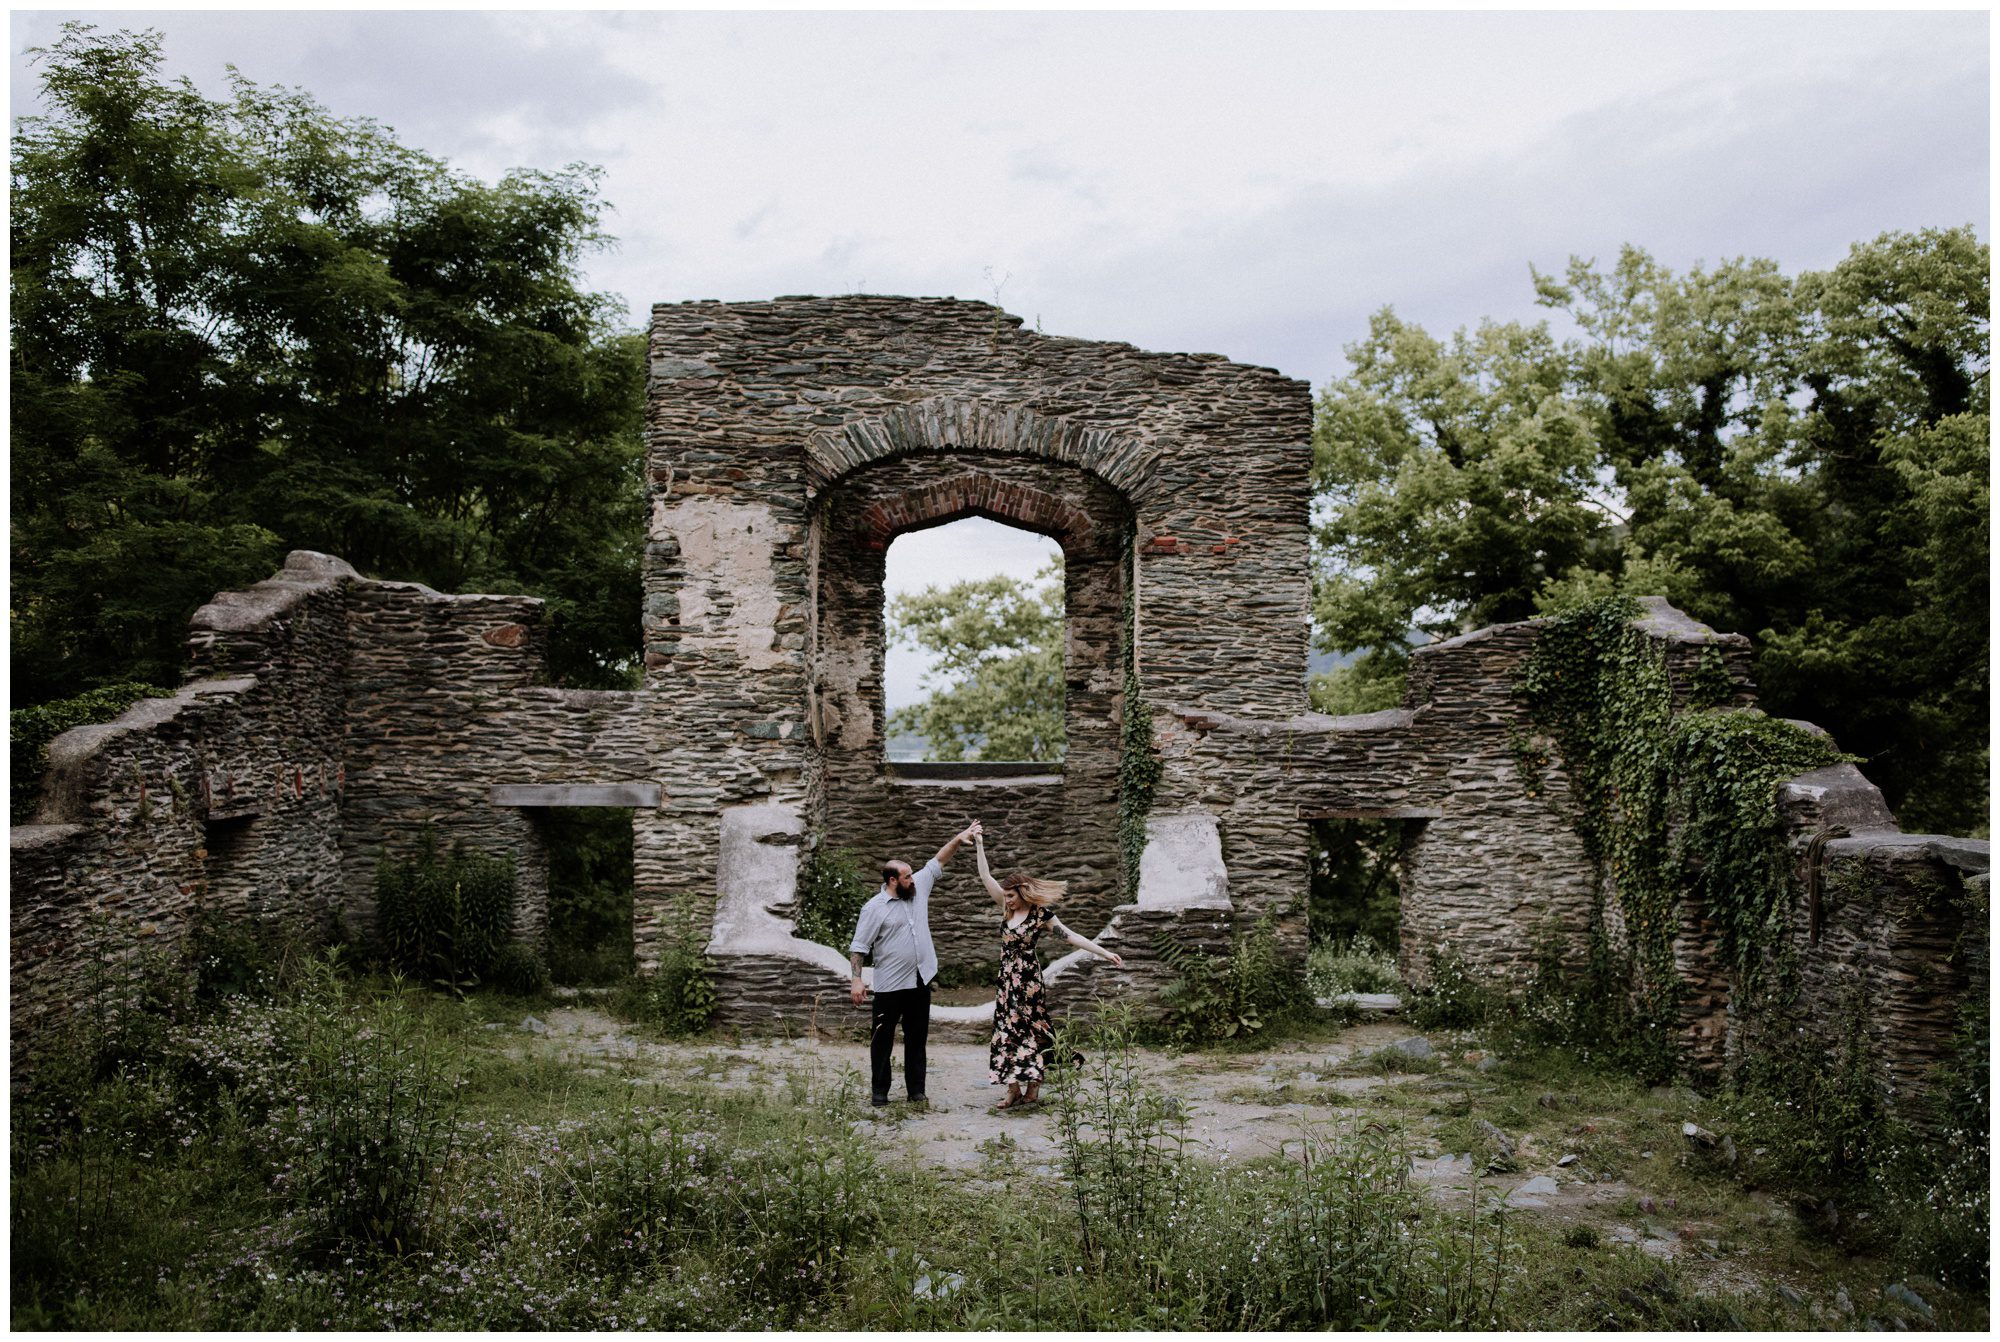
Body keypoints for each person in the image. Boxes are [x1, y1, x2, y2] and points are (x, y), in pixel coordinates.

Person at [973, 825, 1123, 1110]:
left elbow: (1071, 936)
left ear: (1023, 893)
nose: (1008, 899)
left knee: (1029, 1029)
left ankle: (1034, 1085)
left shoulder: (1040, 915)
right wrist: (979, 844)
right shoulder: (1005, 908)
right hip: (1006, 981)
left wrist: (1104, 952)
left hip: (1029, 980)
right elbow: (985, 876)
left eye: (1012, 895)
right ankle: (1012, 1089)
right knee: (1005, 1030)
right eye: (1006, 895)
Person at [849, 821, 980, 1107]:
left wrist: (959, 839)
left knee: (917, 1039)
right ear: (892, 881)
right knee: (882, 1040)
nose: (913, 879)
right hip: (889, 985)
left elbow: (938, 860)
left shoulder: (917, 889)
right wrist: (856, 980)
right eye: (907, 876)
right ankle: (880, 1092)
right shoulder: (873, 909)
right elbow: (859, 947)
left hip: (920, 979)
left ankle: (916, 1091)